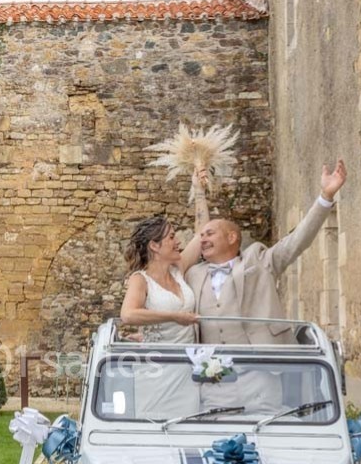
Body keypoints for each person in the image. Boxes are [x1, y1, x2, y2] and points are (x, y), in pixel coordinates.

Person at [179, 161, 348, 344]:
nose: (202, 239)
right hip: (209, 366)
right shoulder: (193, 275)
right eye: (201, 236)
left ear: (231, 237)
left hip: (262, 364)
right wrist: (198, 191)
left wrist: (325, 196)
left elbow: (297, 241)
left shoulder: (259, 260)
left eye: (210, 234)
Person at [118, 217, 200, 418]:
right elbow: (128, 314)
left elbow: (201, 235)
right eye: (171, 237)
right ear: (154, 245)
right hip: (156, 372)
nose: (178, 242)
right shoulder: (140, 279)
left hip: (187, 372)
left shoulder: (178, 270)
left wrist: (199, 190)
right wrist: (173, 317)